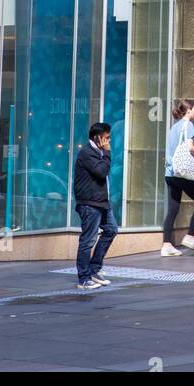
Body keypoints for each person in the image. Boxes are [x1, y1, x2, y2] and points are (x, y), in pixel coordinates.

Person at [162, 99, 194, 263]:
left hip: (170, 172)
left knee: (173, 209)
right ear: (188, 111)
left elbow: (176, 150)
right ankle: (190, 236)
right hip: (181, 174)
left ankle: (166, 245)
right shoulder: (187, 125)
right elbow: (189, 147)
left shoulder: (174, 127)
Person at [73, 121, 119, 290]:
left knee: (111, 229)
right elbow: (101, 172)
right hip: (89, 203)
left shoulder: (97, 151)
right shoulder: (87, 152)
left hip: (101, 202)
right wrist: (107, 153)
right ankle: (84, 278)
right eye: (107, 138)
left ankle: (94, 269)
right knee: (88, 240)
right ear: (97, 137)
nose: (109, 141)